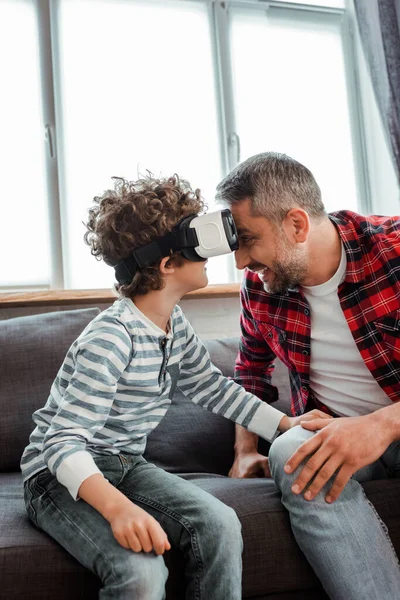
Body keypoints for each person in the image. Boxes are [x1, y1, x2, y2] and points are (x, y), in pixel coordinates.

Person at [21, 174, 326, 600]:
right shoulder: (111, 338)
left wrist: (284, 423)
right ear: (167, 265)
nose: (215, 256)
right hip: (59, 477)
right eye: (196, 246)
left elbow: (209, 386)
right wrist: (118, 508)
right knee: (141, 574)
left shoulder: (175, 323)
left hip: (125, 462)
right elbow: (61, 444)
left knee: (220, 524)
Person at [216, 151, 400, 600]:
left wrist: (380, 425)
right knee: (290, 450)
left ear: (297, 224)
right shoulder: (260, 291)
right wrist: (244, 450)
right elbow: (250, 376)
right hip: (333, 431)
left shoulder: (392, 250)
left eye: (247, 240)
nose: (241, 261)